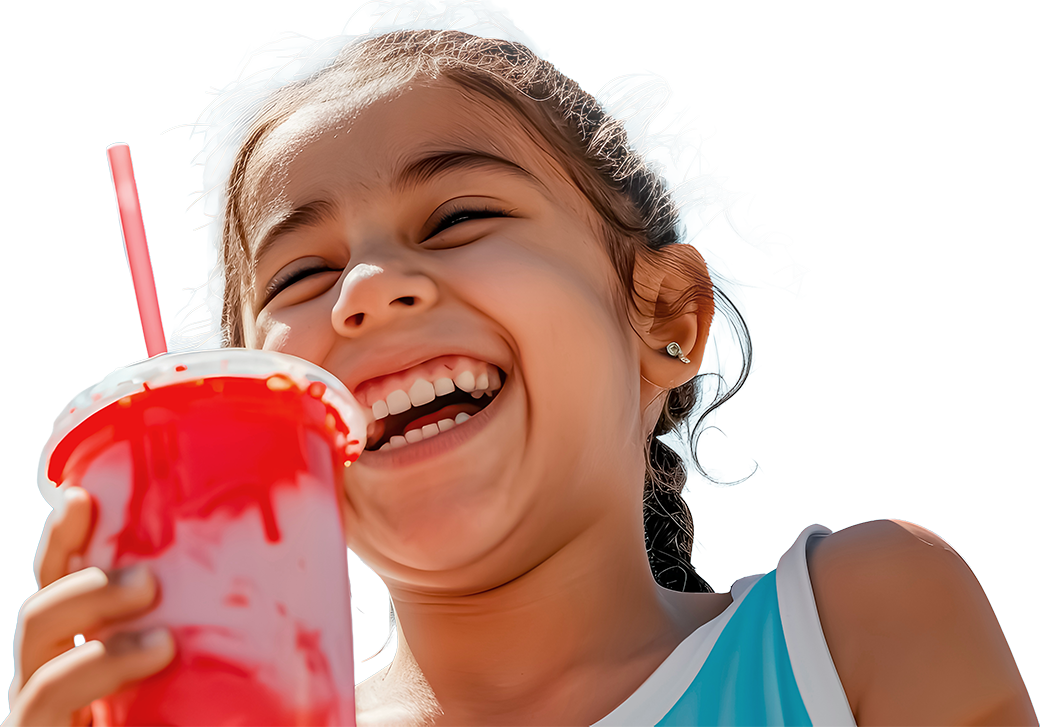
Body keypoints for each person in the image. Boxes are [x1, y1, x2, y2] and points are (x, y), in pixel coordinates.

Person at [9, 3, 1035, 726]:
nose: (366, 287)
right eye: (302, 275)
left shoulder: (851, 623)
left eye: (458, 217)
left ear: (665, 320)